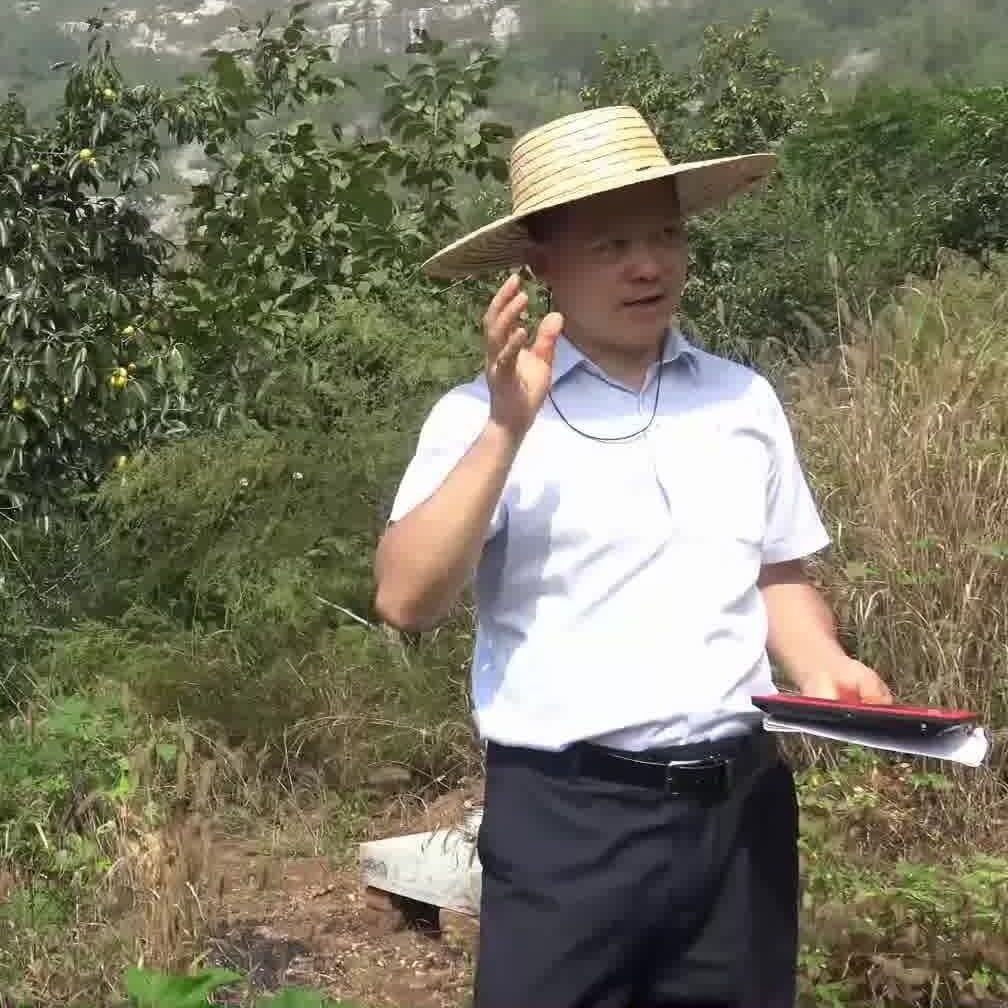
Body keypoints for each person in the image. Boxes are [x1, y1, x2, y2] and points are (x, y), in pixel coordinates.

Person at [372, 105, 893, 1008]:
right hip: (568, 822)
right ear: (543, 266)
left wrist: (827, 666)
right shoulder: (477, 416)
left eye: (664, 235)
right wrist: (508, 425)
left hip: (741, 815)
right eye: (611, 245)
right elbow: (406, 598)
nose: (648, 264)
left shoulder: (741, 400)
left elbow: (775, 574)